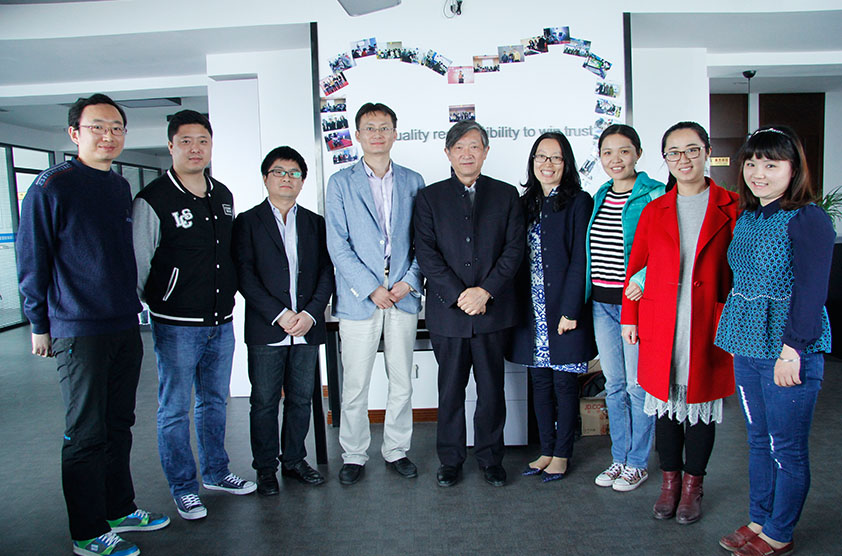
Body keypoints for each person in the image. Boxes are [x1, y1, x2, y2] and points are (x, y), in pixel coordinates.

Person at [16, 93, 169, 556]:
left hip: (123, 322)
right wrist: (38, 322)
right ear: (74, 133)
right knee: (86, 431)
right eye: (97, 127)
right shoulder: (52, 186)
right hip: (77, 327)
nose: (108, 136)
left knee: (119, 422)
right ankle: (87, 531)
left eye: (116, 128)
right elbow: (32, 257)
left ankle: (119, 508)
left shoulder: (118, 186)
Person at [715, 126, 834, 556]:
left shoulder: (808, 218)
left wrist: (793, 350)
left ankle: (779, 533)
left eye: (771, 164)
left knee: (787, 447)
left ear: (794, 168)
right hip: (748, 345)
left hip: (788, 350)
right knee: (758, 440)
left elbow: (812, 290)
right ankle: (759, 518)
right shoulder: (749, 216)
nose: (758, 173)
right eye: (751, 163)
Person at [133, 110, 255, 521]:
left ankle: (217, 473)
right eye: (185, 141)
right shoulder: (153, 199)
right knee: (173, 410)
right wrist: (155, 303)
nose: (195, 148)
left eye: (202, 140)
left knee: (214, 402)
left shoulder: (222, 195)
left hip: (220, 321)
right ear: (171, 146)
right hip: (176, 325)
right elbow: (139, 263)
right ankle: (184, 488)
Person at [621, 121, 738, 524]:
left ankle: (693, 487)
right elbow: (635, 268)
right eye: (673, 152)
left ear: (707, 152)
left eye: (692, 150)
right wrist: (629, 317)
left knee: (701, 402)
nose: (683, 159)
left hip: (706, 320)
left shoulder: (732, 206)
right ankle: (669, 485)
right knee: (665, 405)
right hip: (661, 320)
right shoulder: (655, 210)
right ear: (665, 159)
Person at [414, 120, 525, 488]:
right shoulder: (429, 198)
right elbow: (426, 253)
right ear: (448, 153)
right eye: (459, 147)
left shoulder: (506, 195)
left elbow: (514, 250)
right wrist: (460, 294)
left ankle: (491, 458)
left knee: (492, 389)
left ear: (486, 152)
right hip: (448, 313)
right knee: (449, 390)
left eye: (474, 146)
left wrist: (485, 291)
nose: (467, 153)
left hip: (492, 312)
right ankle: (450, 460)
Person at [325, 102, 425, 485]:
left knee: (402, 381)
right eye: (370, 127)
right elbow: (338, 244)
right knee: (355, 384)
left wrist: (408, 282)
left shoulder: (413, 180)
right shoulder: (340, 182)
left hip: (402, 294)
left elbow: (424, 242)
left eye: (384, 127)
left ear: (395, 133)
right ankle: (354, 454)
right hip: (359, 298)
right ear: (357, 135)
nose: (377, 134)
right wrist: (371, 288)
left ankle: (397, 449)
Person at [233, 147, 334, 494]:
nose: (287, 179)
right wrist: (280, 314)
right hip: (267, 327)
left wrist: (310, 314)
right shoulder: (247, 222)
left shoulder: (316, 224)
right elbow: (245, 276)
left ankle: (294, 460)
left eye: (294, 173)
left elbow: (327, 272)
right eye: (279, 172)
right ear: (266, 178)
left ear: (302, 181)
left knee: (301, 399)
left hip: (306, 327)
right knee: (263, 402)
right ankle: (265, 468)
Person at [508, 132, 596, 482]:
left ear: (566, 163)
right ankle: (546, 450)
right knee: (540, 383)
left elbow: (581, 260)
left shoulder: (579, 201)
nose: (547, 164)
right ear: (532, 162)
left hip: (562, 310)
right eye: (541, 157)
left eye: (556, 157)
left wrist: (571, 311)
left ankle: (562, 454)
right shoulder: (524, 203)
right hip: (531, 312)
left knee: (564, 384)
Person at [587, 125, 664, 492]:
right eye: (607, 152)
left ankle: (637, 462)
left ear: (638, 154)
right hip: (601, 304)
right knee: (614, 385)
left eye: (623, 151)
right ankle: (619, 458)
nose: (615, 159)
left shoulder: (655, 193)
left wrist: (643, 279)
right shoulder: (600, 194)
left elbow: (667, 246)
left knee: (636, 386)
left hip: (635, 305)